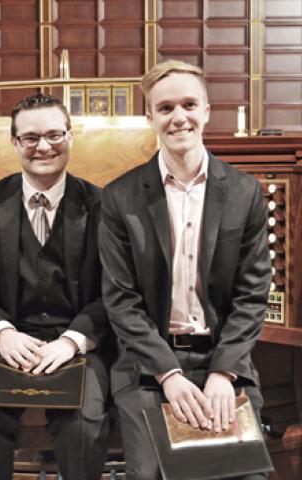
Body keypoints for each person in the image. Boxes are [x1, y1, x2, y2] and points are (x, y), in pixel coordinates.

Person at [99, 60, 272, 480]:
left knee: (244, 475)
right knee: (150, 474)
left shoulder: (245, 193)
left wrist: (222, 374)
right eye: (165, 108)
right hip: (149, 366)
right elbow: (121, 300)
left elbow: (252, 297)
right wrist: (169, 375)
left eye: (189, 104)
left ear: (207, 111)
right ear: (151, 118)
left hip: (223, 360)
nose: (179, 117)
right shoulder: (120, 196)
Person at [0, 93, 110, 480]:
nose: (43, 146)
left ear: (71, 137)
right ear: (14, 143)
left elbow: (115, 291)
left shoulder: (103, 204)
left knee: (82, 423)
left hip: (75, 344)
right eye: (30, 137)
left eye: (55, 135)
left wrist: (72, 341)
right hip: (6, 339)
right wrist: (1, 333)